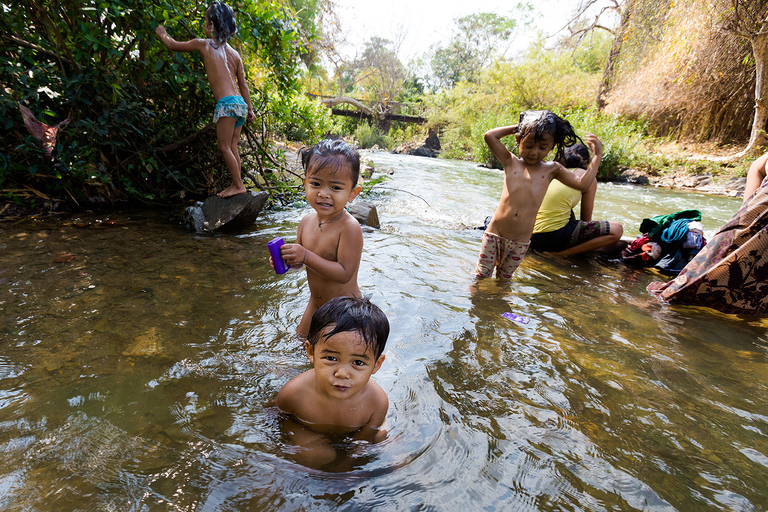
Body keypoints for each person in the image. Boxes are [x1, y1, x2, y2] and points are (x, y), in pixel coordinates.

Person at [475, 110, 603, 278]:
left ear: (552, 146)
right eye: (529, 145)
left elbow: (583, 184)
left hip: (520, 242)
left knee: (504, 281)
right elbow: (489, 136)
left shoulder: (552, 170)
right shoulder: (510, 161)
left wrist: (597, 156)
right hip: (495, 234)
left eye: (542, 147)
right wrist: (522, 127)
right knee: (480, 277)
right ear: (518, 140)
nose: (534, 152)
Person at [647, 152, 768, 315]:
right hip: (750, 225)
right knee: (703, 274)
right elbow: (758, 166)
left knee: (755, 297)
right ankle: (651, 309)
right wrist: (745, 212)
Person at [275, 296, 389, 467]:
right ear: (311, 352)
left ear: (376, 364)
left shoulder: (376, 402)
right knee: (319, 455)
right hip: (307, 428)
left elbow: (361, 444)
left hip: (356, 432)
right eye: (331, 358)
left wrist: (345, 469)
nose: (342, 374)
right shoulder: (295, 393)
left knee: (382, 437)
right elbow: (276, 417)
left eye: (358, 362)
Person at [155, 1, 254, 198]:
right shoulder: (235, 54)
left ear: (211, 25)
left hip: (227, 104)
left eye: (206, 21)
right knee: (232, 146)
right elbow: (243, 84)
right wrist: (250, 109)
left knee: (223, 146)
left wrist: (162, 33)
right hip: (240, 105)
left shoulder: (204, 44)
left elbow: (173, 45)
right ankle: (238, 183)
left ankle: (238, 185)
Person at [272, 138, 363, 337]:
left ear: (352, 193)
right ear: (305, 183)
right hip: (316, 303)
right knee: (299, 343)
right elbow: (299, 263)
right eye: (315, 184)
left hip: (343, 309)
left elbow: (344, 273)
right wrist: (287, 259)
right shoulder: (306, 222)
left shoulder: (349, 227)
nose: (323, 194)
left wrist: (305, 256)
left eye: (336, 188)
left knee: (334, 353)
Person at [529, 143, 624, 255]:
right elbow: (586, 220)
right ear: (585, 161)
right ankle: (560, 254)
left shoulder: (552, 171)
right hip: (550, 237)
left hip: (529, 235)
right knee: (617, 229)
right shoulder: (586, 177)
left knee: (569, 214)